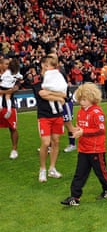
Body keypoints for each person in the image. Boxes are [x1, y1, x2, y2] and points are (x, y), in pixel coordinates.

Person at [61, 83, 107, 206]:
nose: (82, 102)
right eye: (80, 99)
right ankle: (75, 197)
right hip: (83, 148)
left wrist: (83, 132)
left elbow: (101, 130)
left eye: (84, 99)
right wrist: (76, 132)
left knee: (100, 171)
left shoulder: (97, 112)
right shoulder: (80, 112)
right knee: (80, 173)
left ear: (92, 98)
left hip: (96, 149)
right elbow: (80, 128)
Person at [33, 54, 66, 182]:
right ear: (44, 65)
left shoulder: (57, 78)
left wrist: (52, 93)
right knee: (46, 143)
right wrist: (58, 97)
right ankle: (42, 169)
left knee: (56, 141)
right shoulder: (37, 79)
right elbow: (42, 94)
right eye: (50, 65)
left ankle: (52, 168)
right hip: (44, 115)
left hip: (57, 114)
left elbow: (64, 93)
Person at [0, 58, 19, 159]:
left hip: (9, 106)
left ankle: (14, 149)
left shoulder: (12, 75)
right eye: (6, 64)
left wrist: (12, 90)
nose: (8, 66)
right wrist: (8, 91)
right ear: (1, 65)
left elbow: (17, 87)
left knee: (13, 128)